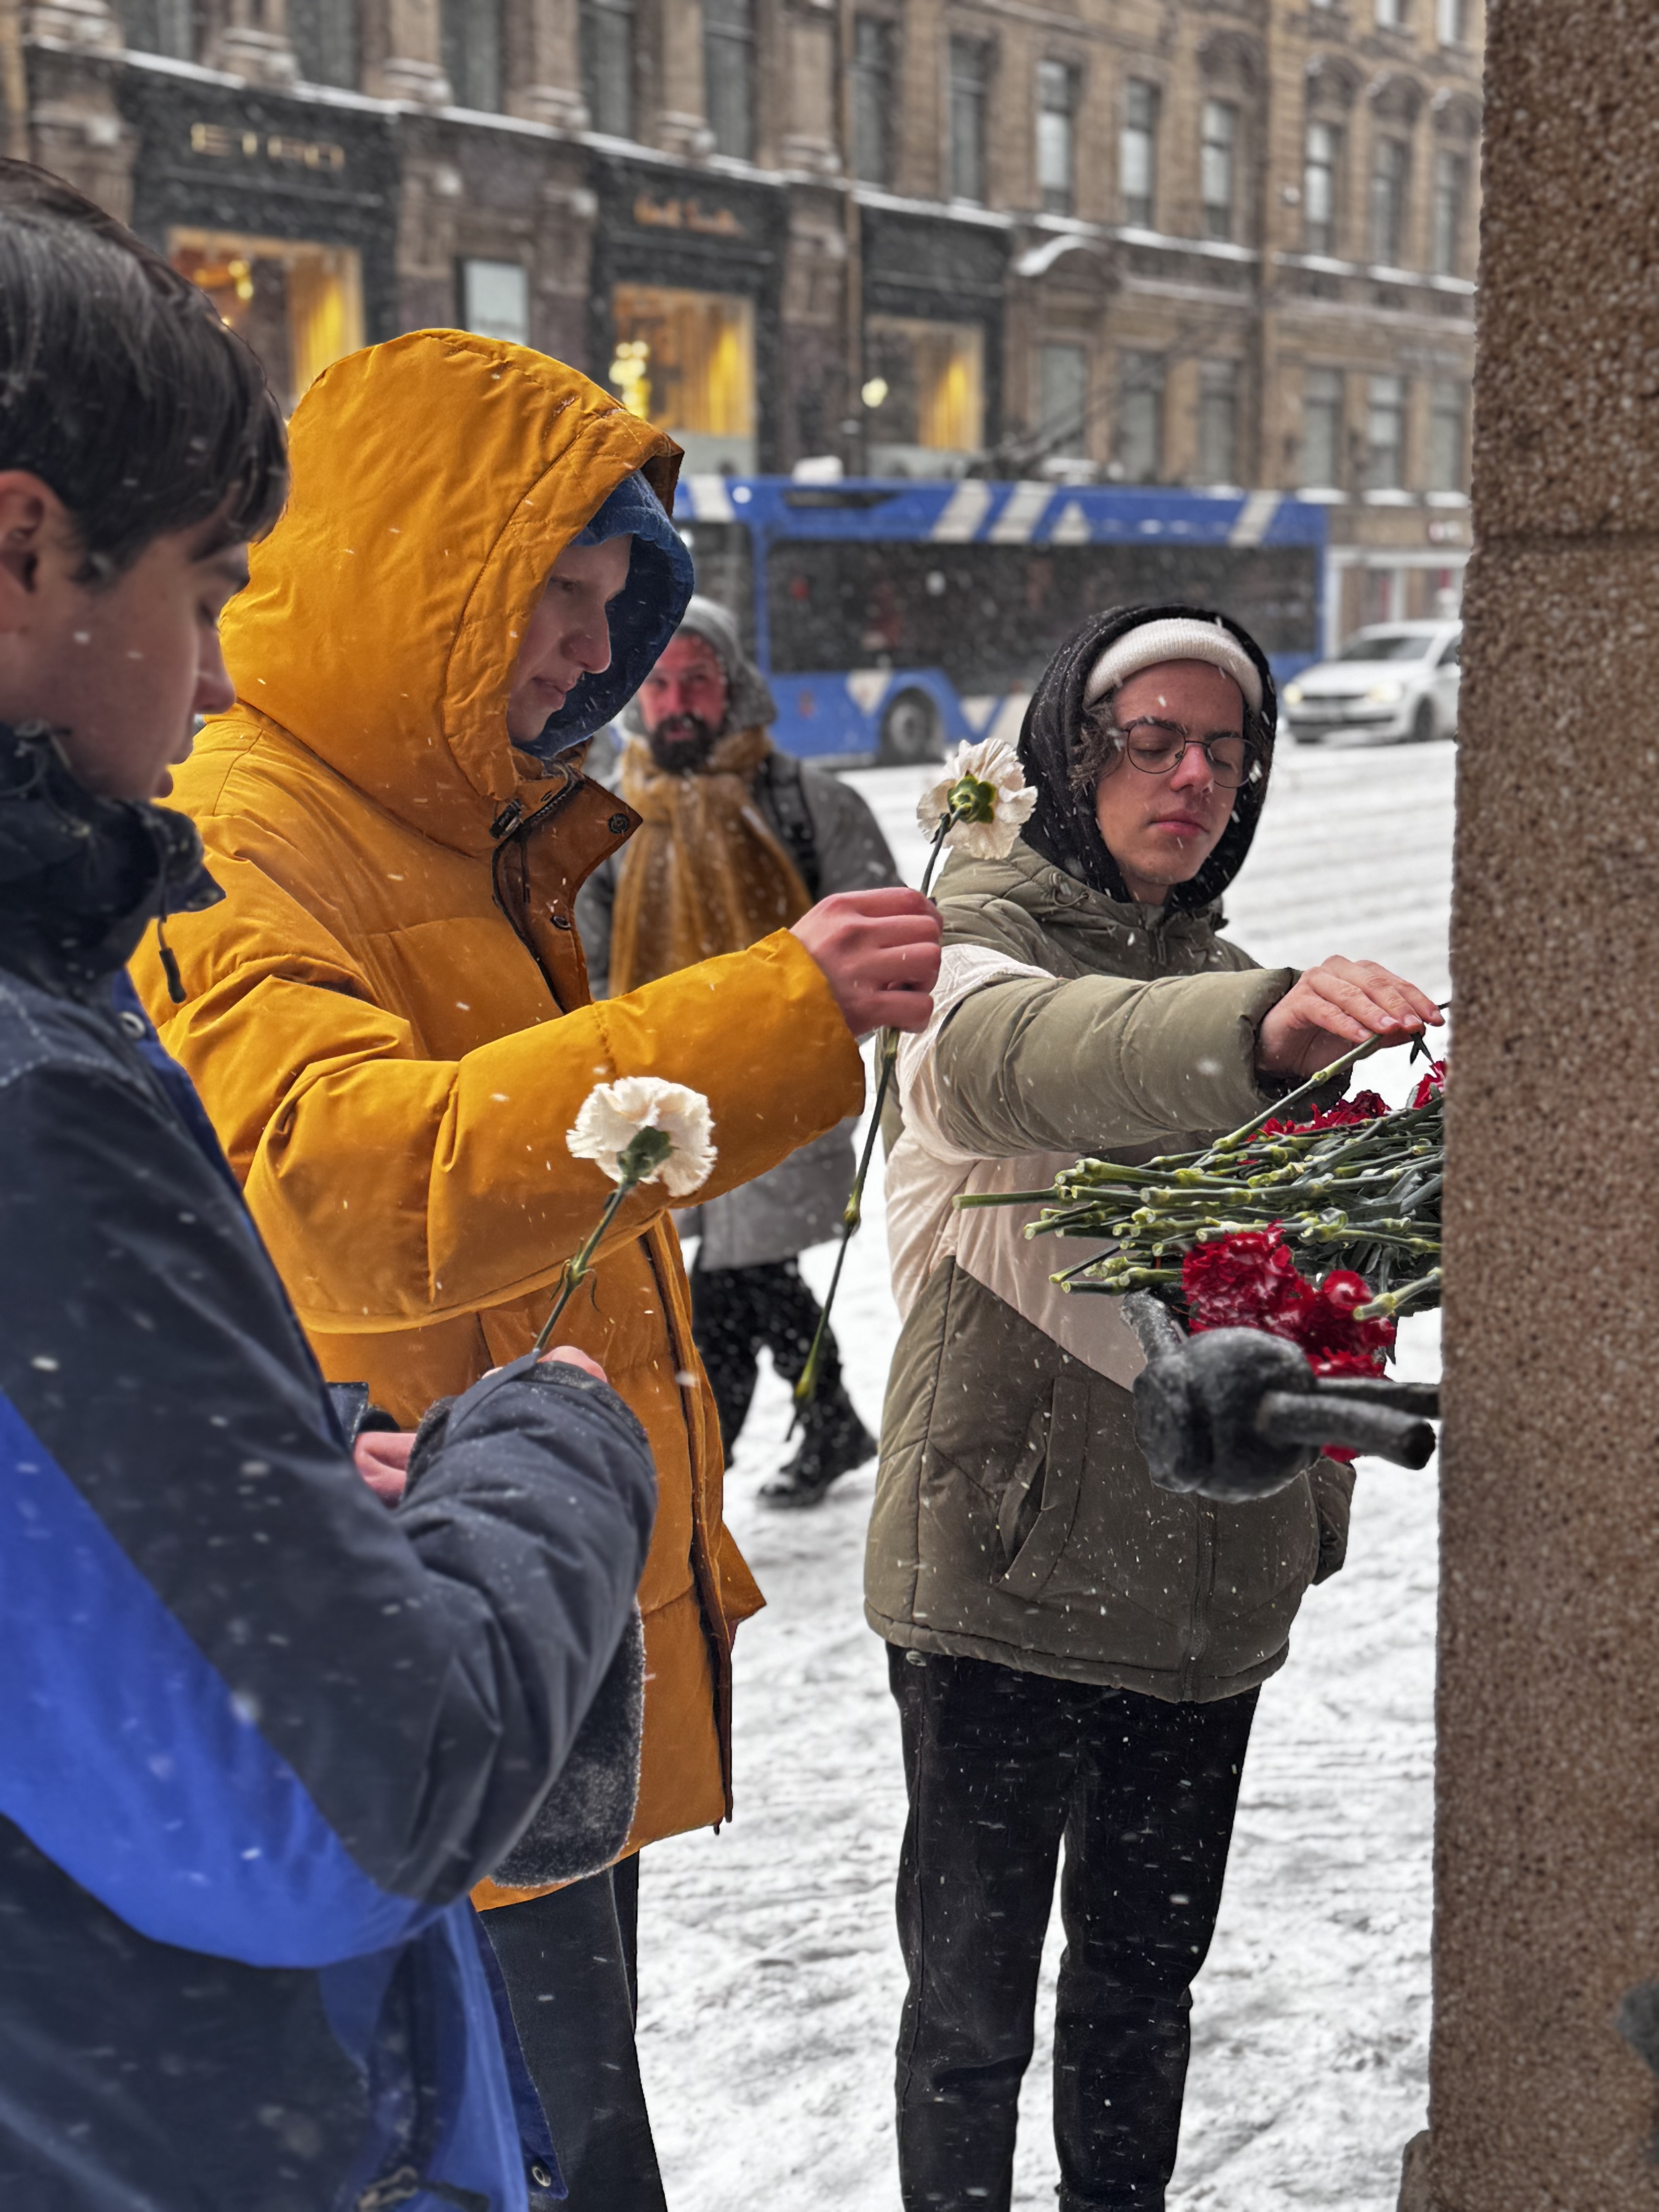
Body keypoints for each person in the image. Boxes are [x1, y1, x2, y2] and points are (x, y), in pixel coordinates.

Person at [131, 329, 942, 2206]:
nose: (595, 648)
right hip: (425, 1649)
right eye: (557, 596)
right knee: (542, 2160)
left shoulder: (441, 828)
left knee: (569, 2138)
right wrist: (775, 1016)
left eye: (614, 600)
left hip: (520, 1636)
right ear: (417, 572)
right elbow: (359, 1182)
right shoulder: (248, 830)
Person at [0, 163, 659, 2210]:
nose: (204, 677)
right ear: (25, 547)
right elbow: (334, 1802)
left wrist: (279, 1490)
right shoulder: (40, 1082)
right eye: (199, 586)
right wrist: (546, 1451)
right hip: (184, 2119)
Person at [867, 603, 1443, 2212]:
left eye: (1224, 750)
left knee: (1140, 1996)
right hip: (1004, 1575)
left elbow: (1305, 1282)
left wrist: (1309, 1500)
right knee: (969, 2018)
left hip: (1197, 1596)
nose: (1193, 776)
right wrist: (1254, 1035)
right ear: (1070, 747)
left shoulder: (1224, 971)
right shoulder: (974, 938)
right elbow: (1013, 1060)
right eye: (1153, 740)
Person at [576, 595, 898, 1506]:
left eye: (698, 683)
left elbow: (883, 935)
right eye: (661, 684)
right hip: (659, 1090)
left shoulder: (809, 804)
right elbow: (584, 962)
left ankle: (691, 1479)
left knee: (728, 1282)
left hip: (784, 1087)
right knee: (742, 1272)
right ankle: (825, 1419)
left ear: (735, 688)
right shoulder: (603, 820)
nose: (678, 702)